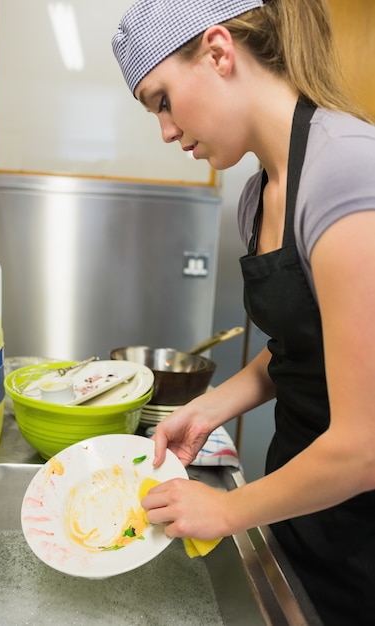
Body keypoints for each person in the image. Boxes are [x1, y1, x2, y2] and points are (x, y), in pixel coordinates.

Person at [112, 1, 375, 623]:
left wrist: (228, 510)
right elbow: (298, 349)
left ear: (220, 50)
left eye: (163, 101)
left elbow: (365, 446)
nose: (167, 132)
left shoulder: (346, 171)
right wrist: (207, 407)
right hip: (301, 503)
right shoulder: (258, 196)